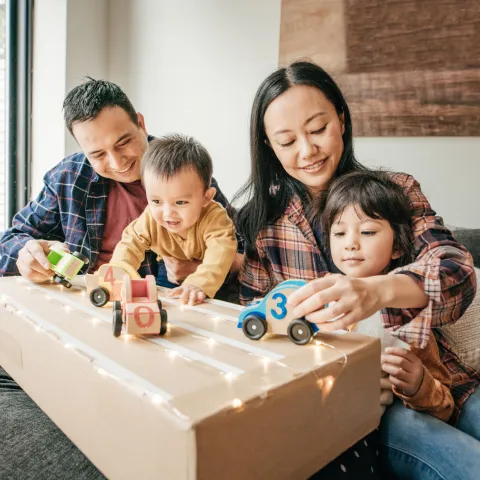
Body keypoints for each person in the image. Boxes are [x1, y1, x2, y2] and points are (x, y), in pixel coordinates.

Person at [236, 60, 480, 479]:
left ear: (342, 121)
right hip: (360, 405)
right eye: (287, 140)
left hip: (445, 380)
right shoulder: (262, 227)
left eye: (317, 129)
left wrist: (377, 291)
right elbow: (256, 325)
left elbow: (457, 271)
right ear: (269, 145)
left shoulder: (395, 191)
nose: (307, 151)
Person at [0, 79, 241, 478]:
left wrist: (198, 269)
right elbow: (11, 237)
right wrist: (24, 253)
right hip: (86, 314)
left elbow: (237, 250)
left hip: (158, 326)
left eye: (125, 141)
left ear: (141, 122)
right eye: (97, 153)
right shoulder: (68, 179)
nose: (117, 161)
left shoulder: (180, 168)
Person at [322, 170, 454, 422]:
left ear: (397, 247)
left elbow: (445, 406)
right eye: (339, 233)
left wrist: (418, 384)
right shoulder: (320, 294)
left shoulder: (406, 309)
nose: (350, 243)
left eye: (368, 232)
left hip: (381, 422)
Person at [110, 135, 237, 305]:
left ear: (206, 197)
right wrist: (119, 269)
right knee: (164, 304)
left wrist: (199, 283)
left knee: (211, 309)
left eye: (180, 202)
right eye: (156, 201)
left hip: (213, 276)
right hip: (168, 273)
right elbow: (130, 242)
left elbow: (221, 250)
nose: (168, 213)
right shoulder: (150, 218)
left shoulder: (214, 217)